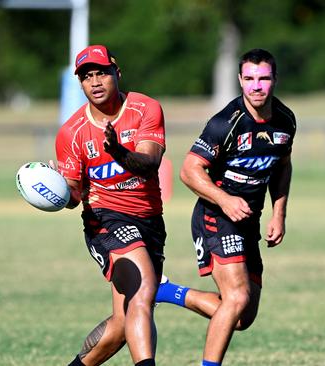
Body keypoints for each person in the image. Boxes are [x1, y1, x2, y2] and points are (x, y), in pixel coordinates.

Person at [155, 48, 296, 366]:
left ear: (274, 80)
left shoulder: (285, 121)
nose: (256, 86)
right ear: (239, 81)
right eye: (249, 79)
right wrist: (225, 199)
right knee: (236, 297)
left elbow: (282, 166)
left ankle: (165, 292)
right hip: (216, 216)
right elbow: (189, 170)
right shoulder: (226, 124)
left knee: (243, 317)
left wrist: (279, 213)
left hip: (249, 221)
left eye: (263, 79)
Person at [54, 44, 166, 366]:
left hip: (149, 220)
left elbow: (149, 163)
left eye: (101, 72)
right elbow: (73, 199)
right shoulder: (72, 133)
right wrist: (55, 191)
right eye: (86, 76)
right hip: (105, 220)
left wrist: (119, 152)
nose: (95, 81)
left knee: (122, 324)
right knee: (143, 290)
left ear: (116, 72)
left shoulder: (145, 108)